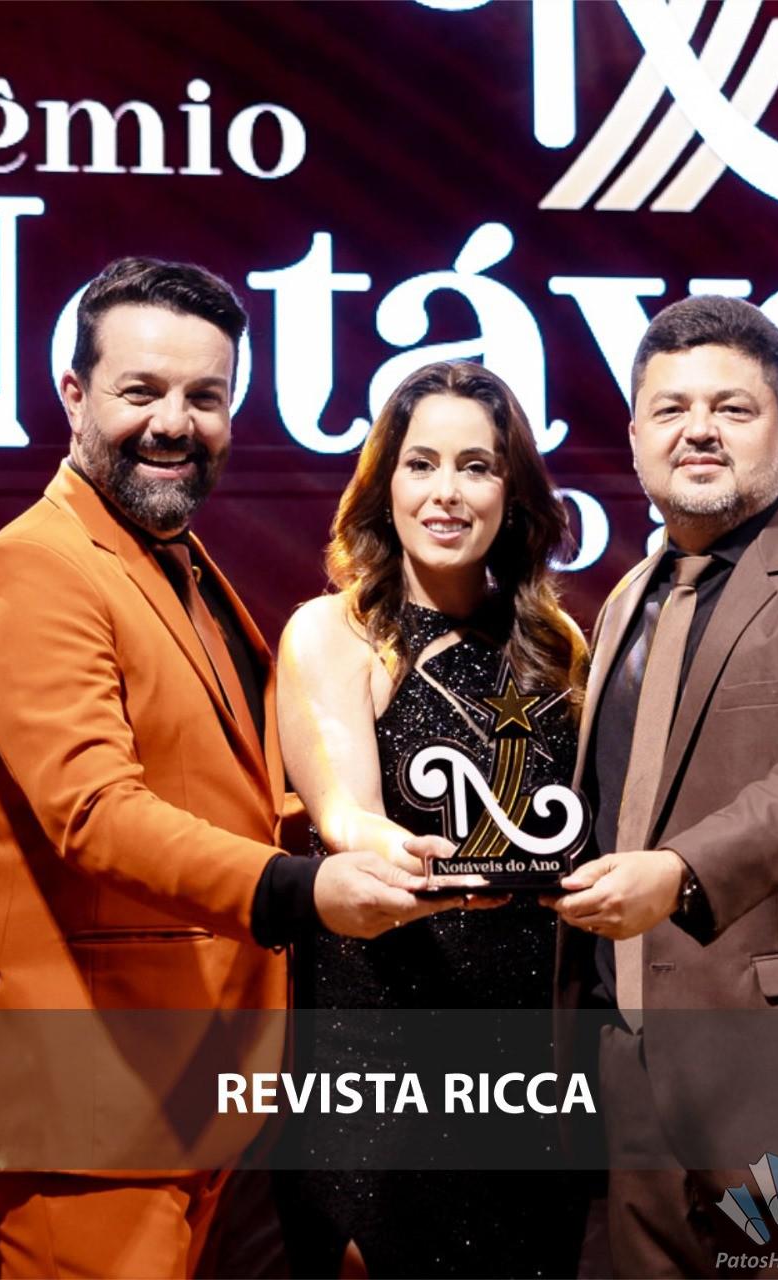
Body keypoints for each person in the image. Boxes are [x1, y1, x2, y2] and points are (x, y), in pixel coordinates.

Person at [0, 257, 464, 1280]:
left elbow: (221, 792)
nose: (174, 422)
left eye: (204, 396)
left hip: (206, 1092)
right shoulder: (35, 565)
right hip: (94, 1105)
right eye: (141, 391)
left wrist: (367, 833)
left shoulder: (177, 561)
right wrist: (299, 887)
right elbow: (92, 812)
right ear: (73, 395)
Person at [273, 360, 590, 1279]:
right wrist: (419, 859)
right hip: (383, 1053)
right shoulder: (336, 631)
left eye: (475, 467)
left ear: (512, 494)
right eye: (420, 464)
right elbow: (344, 815)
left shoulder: (557, 645)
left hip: (530, 1070)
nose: (445, 492)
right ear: (385, 485)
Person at [549, 295, 778, 1278]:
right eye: (669, 409)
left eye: (731, 408)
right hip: (626, 1054)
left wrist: (676, 874)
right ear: (634, 439)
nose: (698, 430)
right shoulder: (629, 595)